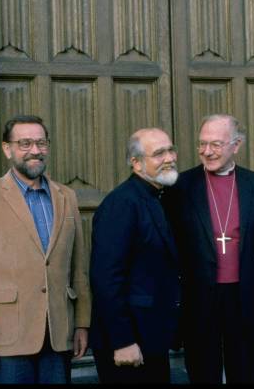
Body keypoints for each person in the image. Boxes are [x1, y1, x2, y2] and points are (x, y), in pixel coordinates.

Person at [0, 115, 91, 383]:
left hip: (58, 334)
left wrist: (82, 323)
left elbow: (79, 268)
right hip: (7, 338)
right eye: (25, 143)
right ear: (7, 149)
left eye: (41, 143)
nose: (35, 150)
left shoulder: (67, 196)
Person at [166, 115, 254, 383]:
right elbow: (173, 242)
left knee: (244, 371)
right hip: (199, 296)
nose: (207, 151)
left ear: (236, 145)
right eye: (202, 144)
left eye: (216, 144)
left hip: (242, 294)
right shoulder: (180, 185)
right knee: (203, 371)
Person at [89, 128, 181, 384]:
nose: (170, 158)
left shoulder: (159, 195)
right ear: (136, 163)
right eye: (159, 153)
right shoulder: (121, 204)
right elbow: (106, 279)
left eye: (171, 150)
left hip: (152, 338)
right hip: (129, 344)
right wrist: (123, 341)